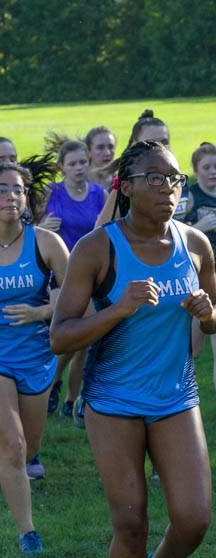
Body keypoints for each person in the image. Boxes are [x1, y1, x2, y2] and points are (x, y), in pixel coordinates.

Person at [50, 139, 216, 558]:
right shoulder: (97, 249)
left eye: (174, 180)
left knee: (193, 519)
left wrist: (207, 313)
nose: (169, 189)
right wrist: (119, 309)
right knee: (130, 523)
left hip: (175, 396)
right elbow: (61, 336)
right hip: (112, 401)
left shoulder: (194, 244)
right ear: (126, 187)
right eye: (156, 178)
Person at [0, 156, 68, 552]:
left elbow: (80, 300)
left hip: (38, 359)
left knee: (29, 448)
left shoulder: (45, 242)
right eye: (3, 189)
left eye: (18, 189)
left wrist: (42, 311)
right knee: (13, 446)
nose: (10, 196)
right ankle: (28, 532)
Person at [42, 135, 106, 424]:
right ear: (61, 168)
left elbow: (106, 228)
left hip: (94, 271)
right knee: (82, 335)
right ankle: (57, 385)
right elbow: (28, 228)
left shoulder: (98, 194)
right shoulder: (52, 193)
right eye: (73, 163)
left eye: (83, 162)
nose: (79, 167)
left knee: (86, 339)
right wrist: (42, 226)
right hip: (62, 273)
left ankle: (68, 396)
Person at [181, 142, 216, 425]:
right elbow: (172, 231)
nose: (213, 171)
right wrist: (197, 228)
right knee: (193, 347)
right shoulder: (189, 196)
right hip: (195, 274)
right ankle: (182, 401)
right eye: (207, 167)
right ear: (196, 170)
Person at [95, 110, 171, 227]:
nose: (160, 149)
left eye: (164, 143)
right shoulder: (128, 184)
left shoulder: (178, 180)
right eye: (151, 143)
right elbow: (100, 231)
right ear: (134, 146)